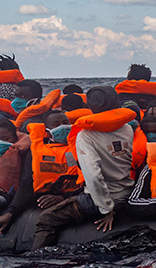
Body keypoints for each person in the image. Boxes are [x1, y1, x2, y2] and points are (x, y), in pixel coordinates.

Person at [32, 86, 136, 250]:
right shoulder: (127, 128)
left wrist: (106, 209)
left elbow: (93, 176)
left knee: (46, 219)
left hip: (102, 199)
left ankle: (37, 261)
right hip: (126, 192)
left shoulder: (85, 135)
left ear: (91, 106)